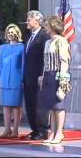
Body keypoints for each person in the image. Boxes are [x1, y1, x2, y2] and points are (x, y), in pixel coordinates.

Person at [38, 16, 71, 144]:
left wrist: (63, 80)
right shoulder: (47, 42)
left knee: (58, 105)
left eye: (46, 25)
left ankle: (59, 133)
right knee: (50, 107)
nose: (45, 27)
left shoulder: (61, 41)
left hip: (57, 75)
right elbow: (45, 62)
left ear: (52, 26)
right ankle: (52, 132)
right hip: (47, 75)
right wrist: (42, 76)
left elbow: (64, 61)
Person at [23, 10, 51, 140]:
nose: (27, 21)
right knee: (30, 104)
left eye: (29, 19)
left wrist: (42, 74)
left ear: (37, 21)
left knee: (39, 104)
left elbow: (45, 58)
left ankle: (42, 130)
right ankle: (34, 129)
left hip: (39, 76)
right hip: (28, 76)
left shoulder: (44, 36)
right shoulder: (28, 36)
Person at [0, 23, 25, 138]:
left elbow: (23, 65)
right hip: (4, 79)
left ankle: (15, 129)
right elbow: (0, 64)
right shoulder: (3, 48)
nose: (10, 34)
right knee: (6, 105)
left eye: (12, 32)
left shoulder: (22, 47)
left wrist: (23, 79)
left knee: (16, 106)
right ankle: (7, 129)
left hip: (16, 79)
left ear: (17, 33)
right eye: (9, 32)